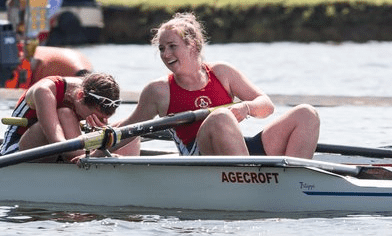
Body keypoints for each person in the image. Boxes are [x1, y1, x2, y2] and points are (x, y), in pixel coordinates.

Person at [114, 12, 320, 158]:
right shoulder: (157, 90)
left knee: (306, 113)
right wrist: (96, 152)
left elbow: (266, 105)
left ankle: (296, 183)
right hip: (200, 157)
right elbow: (131, 129)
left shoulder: (222, 72)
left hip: (235, 151)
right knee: (220, 117)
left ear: (191, 45)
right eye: (161, 48)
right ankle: (253, 186)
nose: (165, 54)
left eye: (172, 46)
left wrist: (245, 107)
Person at [0, 72, 121, 161]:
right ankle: (84, 161)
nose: (98, 121)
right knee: (65, 113)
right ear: (80, 96)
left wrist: (101, 136)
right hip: (13, 153)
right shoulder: (44, 91)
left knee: (123, 131)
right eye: (95, 116)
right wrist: (97, 154)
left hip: (58, 153)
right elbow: (57, 143)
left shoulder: (89, 93)